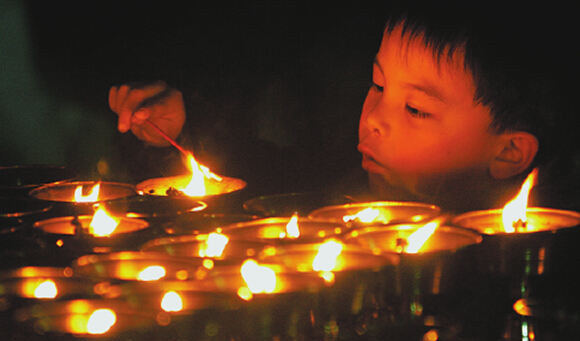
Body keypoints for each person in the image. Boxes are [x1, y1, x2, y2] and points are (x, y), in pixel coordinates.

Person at [108, 3, 580, 213]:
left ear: (510, 152)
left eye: (415, 108)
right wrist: (186, 131)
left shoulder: (539, 265)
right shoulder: (323, 192)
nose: (373, 117)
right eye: (377, 85)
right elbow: (253, 178)